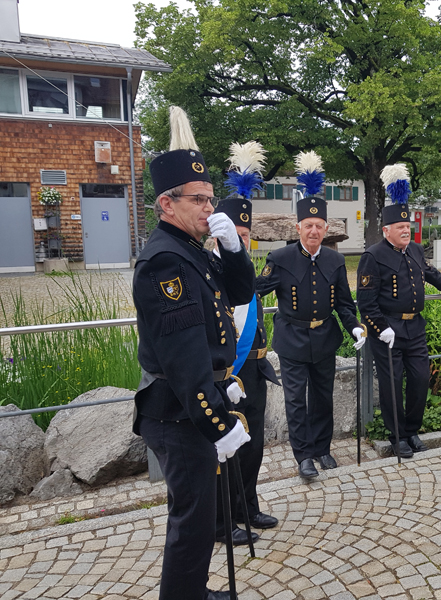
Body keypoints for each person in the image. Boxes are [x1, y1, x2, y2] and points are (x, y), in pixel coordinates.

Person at [132, 107, 253, 600]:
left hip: (193, 409)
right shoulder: (166, 260)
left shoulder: (192, 248)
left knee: (202, 519)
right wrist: (217, 423)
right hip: (180, 414)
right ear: (167, 202)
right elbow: (184, 360)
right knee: (192, 521)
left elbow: (242, 294)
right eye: (199, 200)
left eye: (210, 198)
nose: (209, 208)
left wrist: (234, 250)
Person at [255, 151, 365, 479]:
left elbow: (344, 303)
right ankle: (303, 455)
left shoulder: (334, 261)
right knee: (296, 402)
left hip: (324, 338)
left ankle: (322, 449)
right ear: (298, 226)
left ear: (326, 228)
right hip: (291, 340)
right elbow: (256, 289)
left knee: (322, 398)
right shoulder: (281, 257)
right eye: (308, 225)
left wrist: (355, 327)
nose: (313, 231)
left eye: (319, 226)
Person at [357, 164, 441, 458]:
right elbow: (365, 301)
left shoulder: (415, 250)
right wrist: (381, 327)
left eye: (408, 227)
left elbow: (429, 274)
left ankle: (413, 429)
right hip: (387, 330)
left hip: (415, 328)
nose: (406, 231)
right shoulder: (372, 256)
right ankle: (398, 436)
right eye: (400, 228)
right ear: (387, 230)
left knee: (419, 379)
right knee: (392, 384)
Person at [212, 194, 281, 545]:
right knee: (226, 449)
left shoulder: (245, 266)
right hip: (228, 374)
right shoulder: (210, 268)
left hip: (254, 371)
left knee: (252, 446)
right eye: (234, 234)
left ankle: (247, 507)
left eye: (244, 234)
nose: (241, 241)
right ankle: (222, 519)